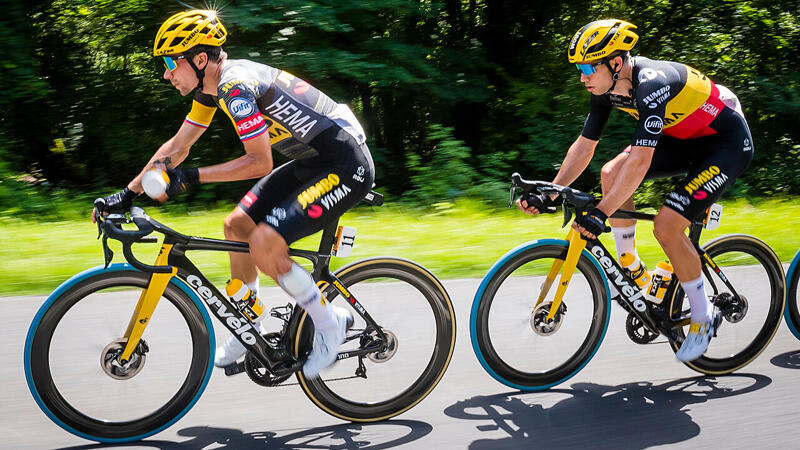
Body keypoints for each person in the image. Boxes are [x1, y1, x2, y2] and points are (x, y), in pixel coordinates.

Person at [92, 9, 375, 377]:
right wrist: (126, 194)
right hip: (313, 163)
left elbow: (259, 161)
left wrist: (190, 178)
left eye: (169, 62)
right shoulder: (210, 90)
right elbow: (178, 147)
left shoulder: (234, 85)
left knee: (265, 242)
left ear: (199, 59)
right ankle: (249, 327)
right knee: (238, 225)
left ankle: (329, 322)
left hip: (345, 165)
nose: (165, 73)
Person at [517, 19, 752, 362]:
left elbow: (641, 162)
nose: (582, 77)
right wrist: (550, 192)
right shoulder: (606, 89)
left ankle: (702, 320)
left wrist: (601, 214)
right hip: (684, 140)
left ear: (615, 63)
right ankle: (631, 264)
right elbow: (584, 148)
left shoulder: (652, 83)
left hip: (725, 145)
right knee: (610, 173)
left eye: (586, 67)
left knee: (667, 226)